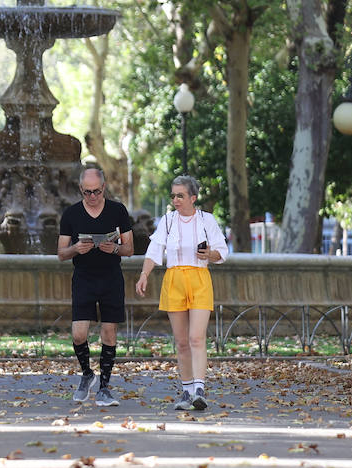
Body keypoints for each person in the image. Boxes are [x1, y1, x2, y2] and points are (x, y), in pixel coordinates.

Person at [134, 174, 228, 410]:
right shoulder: (167, 221)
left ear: (193, 198)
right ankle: (186, 392)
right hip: (174, 279)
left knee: (197, 337)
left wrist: (211, 255)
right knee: (181, 341)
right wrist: (144, 275)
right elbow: (154, 250)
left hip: (199, 278)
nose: (176, 200)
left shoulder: (207, 220)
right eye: (173, 195)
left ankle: (199, 389)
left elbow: (222, 251)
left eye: (180, 195)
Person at [56, 167, 135, 407]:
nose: (92, 197)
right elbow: (61, 253)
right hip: (83, 278)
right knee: (78, 334)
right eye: (87, 192)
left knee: (109, 333)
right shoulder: (71, 214)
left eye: (97, 192)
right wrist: (75, 249)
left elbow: (130, 249)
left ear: (104, 187)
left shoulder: (117, 210)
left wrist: (116, 248)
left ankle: (104, 388)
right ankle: (87, 374)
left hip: (111, 277)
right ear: (81, 189)